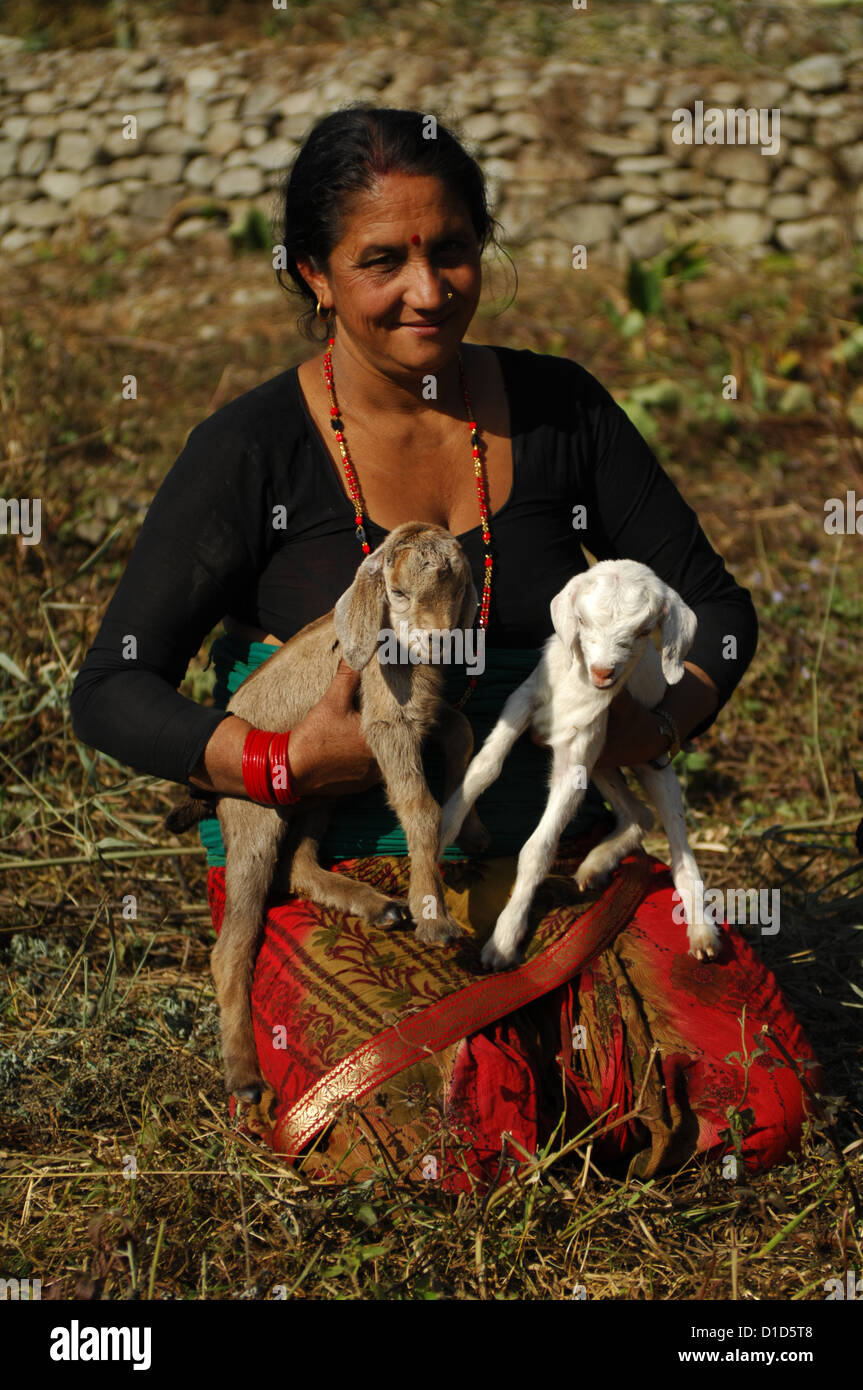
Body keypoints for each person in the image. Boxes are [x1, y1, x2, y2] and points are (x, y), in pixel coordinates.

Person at [71, 107, 820, 1191]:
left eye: (451, 250)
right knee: (429, 1139)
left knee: (757, 1101)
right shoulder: (251, 451)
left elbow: (717, 610)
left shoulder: (560, 411)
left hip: (554, 865)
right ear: (312, 277)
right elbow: (109, 689)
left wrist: (651, 722)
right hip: (357, 871)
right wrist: (280, 765)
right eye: (381, 260)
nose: (427, 291)